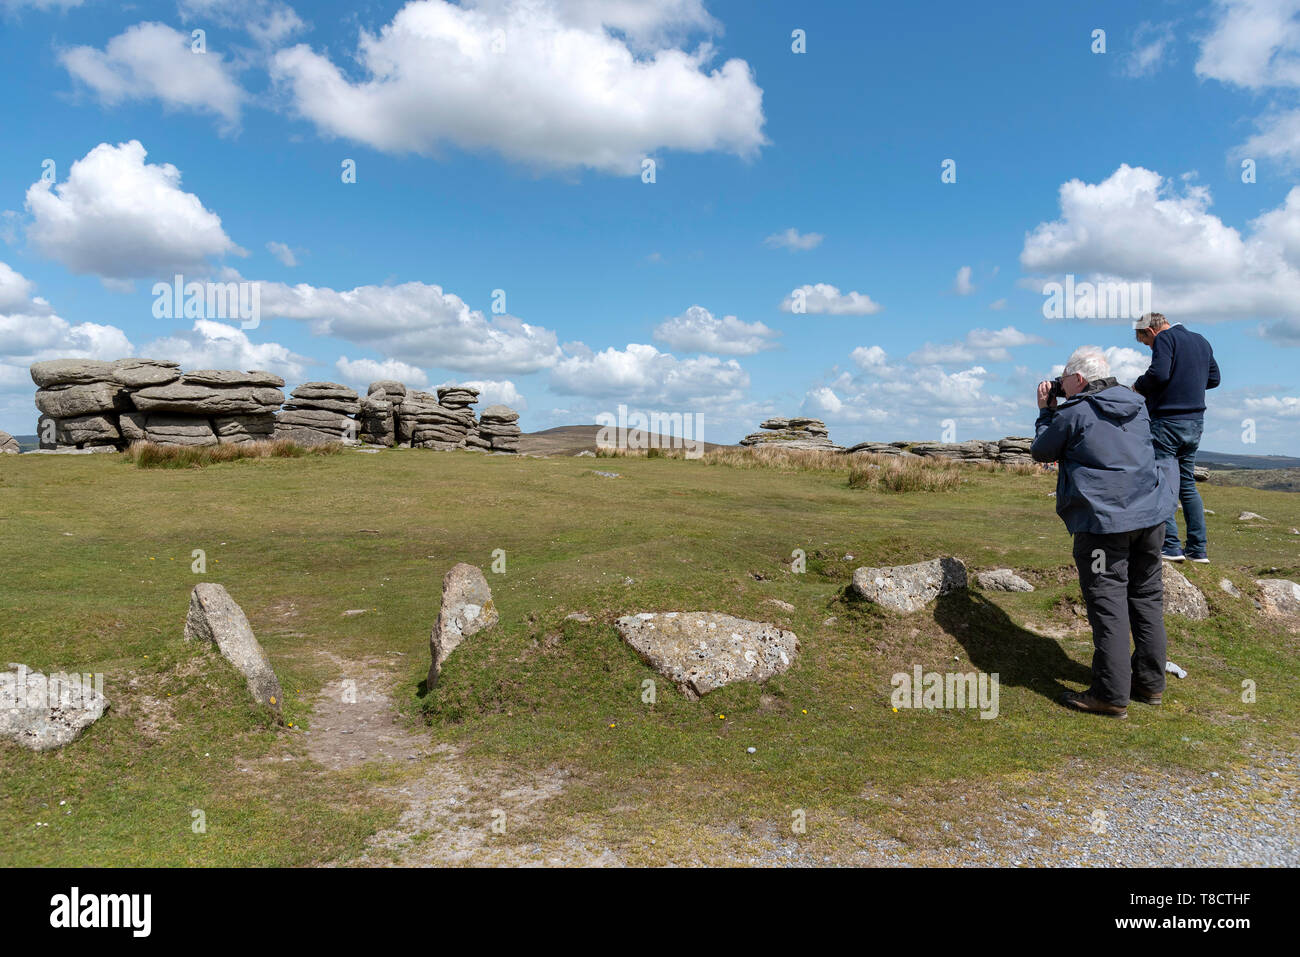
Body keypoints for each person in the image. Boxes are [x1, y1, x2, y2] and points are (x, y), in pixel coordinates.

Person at [1031, 346, 1178, 718]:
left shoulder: (1074, 412)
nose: (1060, 385)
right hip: (1150, 518)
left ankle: (1110, 694)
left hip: (1103, 525)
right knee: (1146, 600)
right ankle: (1149, 683)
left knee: (1107, 603)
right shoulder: (1136, 404)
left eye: (1063, 378)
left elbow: (1041, 452)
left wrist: (1044, 412)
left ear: (1078, 379)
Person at [1132, 312, 1221, 563]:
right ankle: (1198, 549)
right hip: (1195, 422)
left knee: (1161, 480)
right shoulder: (1201, 340)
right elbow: (1214, 379)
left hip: (1167, 421)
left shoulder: (1165, 339)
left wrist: (1138, 386)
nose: (1150, 347)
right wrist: (1188, 383)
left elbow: (1159, 374)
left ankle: (1170, 546)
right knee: (1187, 484)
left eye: (1146, 343)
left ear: (1150, 331)